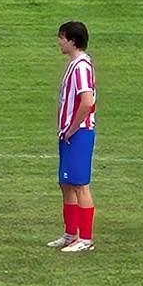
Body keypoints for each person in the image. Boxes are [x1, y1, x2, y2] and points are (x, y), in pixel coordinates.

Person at [46, 21, 97, 252]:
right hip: (68, 133)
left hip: (78, 133)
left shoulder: (82, 67)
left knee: (80, 185)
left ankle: (85, 238)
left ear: (72, 40)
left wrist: (72, 128)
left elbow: (87, 101)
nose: (59, 41)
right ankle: (70, 233)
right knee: (66, 183)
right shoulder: (74, 64)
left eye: (61, 37)